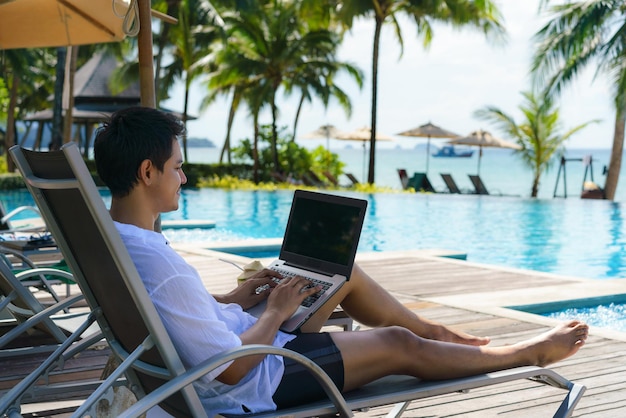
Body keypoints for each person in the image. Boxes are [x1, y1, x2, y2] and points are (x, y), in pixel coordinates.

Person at [93, 106, 589, 416]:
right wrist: (274, 312)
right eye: (178, 168)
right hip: (256, 376)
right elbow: (231, 373)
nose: (184, 178)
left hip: (229, 346)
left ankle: (436, 336)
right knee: (397, 344)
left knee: (340, 274)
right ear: (146, 171)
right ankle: (521, 355)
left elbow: (173, 312)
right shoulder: (159, 262)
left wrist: (235, 297)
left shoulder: (116, 239)